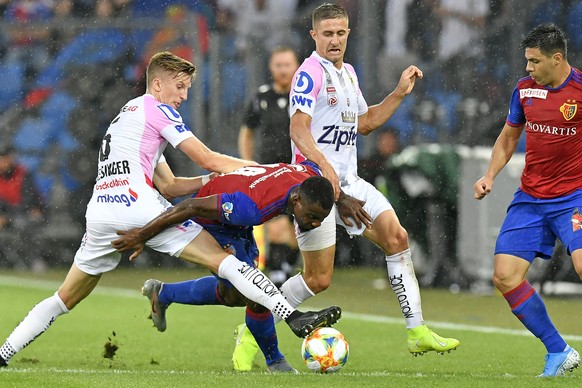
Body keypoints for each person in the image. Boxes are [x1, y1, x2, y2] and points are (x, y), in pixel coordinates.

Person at [0, 51, 341, 368]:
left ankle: (4, 353)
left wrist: (208, 177)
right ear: (158, 84)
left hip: (102, 214)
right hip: (139, 207)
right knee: (226, 263)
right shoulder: (158, 110)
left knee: (63, 299)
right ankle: (292, 316)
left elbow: (170, 186)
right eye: (179, 87)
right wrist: (252, 169)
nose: (183, 96)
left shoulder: (127, 119)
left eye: (187, 88)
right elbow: (207, 156)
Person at [230, 3, 460, 367]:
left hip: (349, 180)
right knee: (317, 279)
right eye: (327, 34)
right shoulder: (309, 73)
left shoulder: (349, 73)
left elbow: (364, 123)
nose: (334, 40)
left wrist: (399, 93)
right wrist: (327, 175)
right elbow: (298, 129)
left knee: (397, 240)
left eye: (340, 33)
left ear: (348, 33)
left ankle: (417, 331)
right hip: (314, 190)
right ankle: (251, 331)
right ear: (314, 35)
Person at [112, 161, 340, 372]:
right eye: (311, 216)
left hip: (237, 220)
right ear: (297, 199)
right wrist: (141, 236)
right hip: (214, 222)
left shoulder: (308, 174)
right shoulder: (250, 207)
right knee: (253, 294)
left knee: (233, 295)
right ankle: (275, 360)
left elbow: (315, 166)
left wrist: (345, 199)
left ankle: (163, 294)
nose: (316, 224)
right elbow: (191, 206)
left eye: (321, 218)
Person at [473, 24, 581, 377]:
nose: (528, 68)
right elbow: (507, 138)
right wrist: (489, 175)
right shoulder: (524, 90)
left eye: (534, 61)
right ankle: (559, 351)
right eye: (527, 61)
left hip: (574, 197)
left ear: (557, 58)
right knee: (504, 276)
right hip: (531, 199)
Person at [238, 46, 300, 287]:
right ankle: (277, 276)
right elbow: (247, 132)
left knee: (298, 232)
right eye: (279, 65)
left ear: (296, 67)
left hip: (300, 171)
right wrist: (247, 163)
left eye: (287, 65)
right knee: (276, 226)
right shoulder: (261, 97)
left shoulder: (304, 97)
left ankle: (283, 268)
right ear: (271, 68)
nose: (283, 70)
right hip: (272, 172)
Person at [0, 144, 46, 271]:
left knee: (23, 224)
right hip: (5, 216)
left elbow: (29, 201)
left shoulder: (23, 174)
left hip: (22, 215)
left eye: (3, 159)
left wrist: (7, 217)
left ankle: (32, 260)